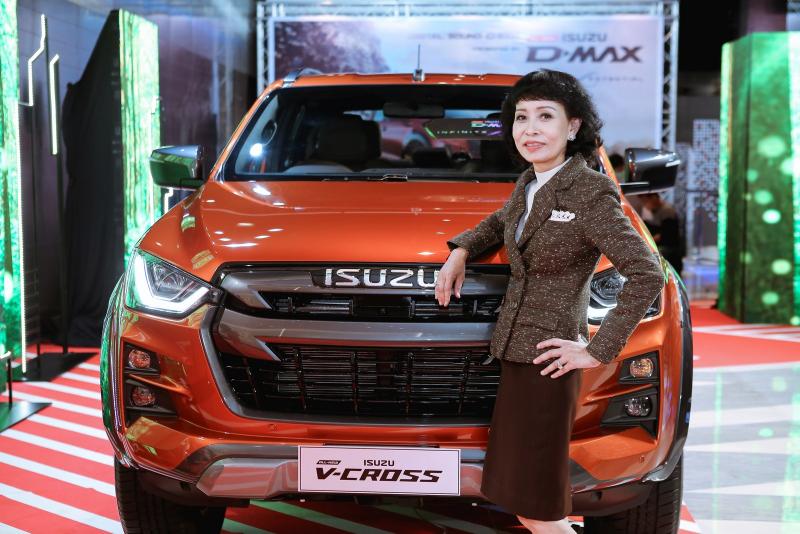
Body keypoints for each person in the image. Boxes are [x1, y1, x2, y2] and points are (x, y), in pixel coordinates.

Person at [434, 70, 664, 533]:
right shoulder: (531, 182)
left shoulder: (589, 190)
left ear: (573, 126)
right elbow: (502, 221)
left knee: (536, 507)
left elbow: (647, 273)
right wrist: (460, 250)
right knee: (524, 500)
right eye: (521, 118)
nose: (530, 129)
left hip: (549, 365)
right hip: (517, 356)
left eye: (545, 116)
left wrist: (597, 349)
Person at [639, 192, 684, 274]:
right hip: (663, 250)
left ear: (654, 197)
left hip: (669, 251)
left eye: (645, 201)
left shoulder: (667, 211)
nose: (644, 204)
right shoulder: (651, 211)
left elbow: (666, 234)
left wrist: (647, 241)